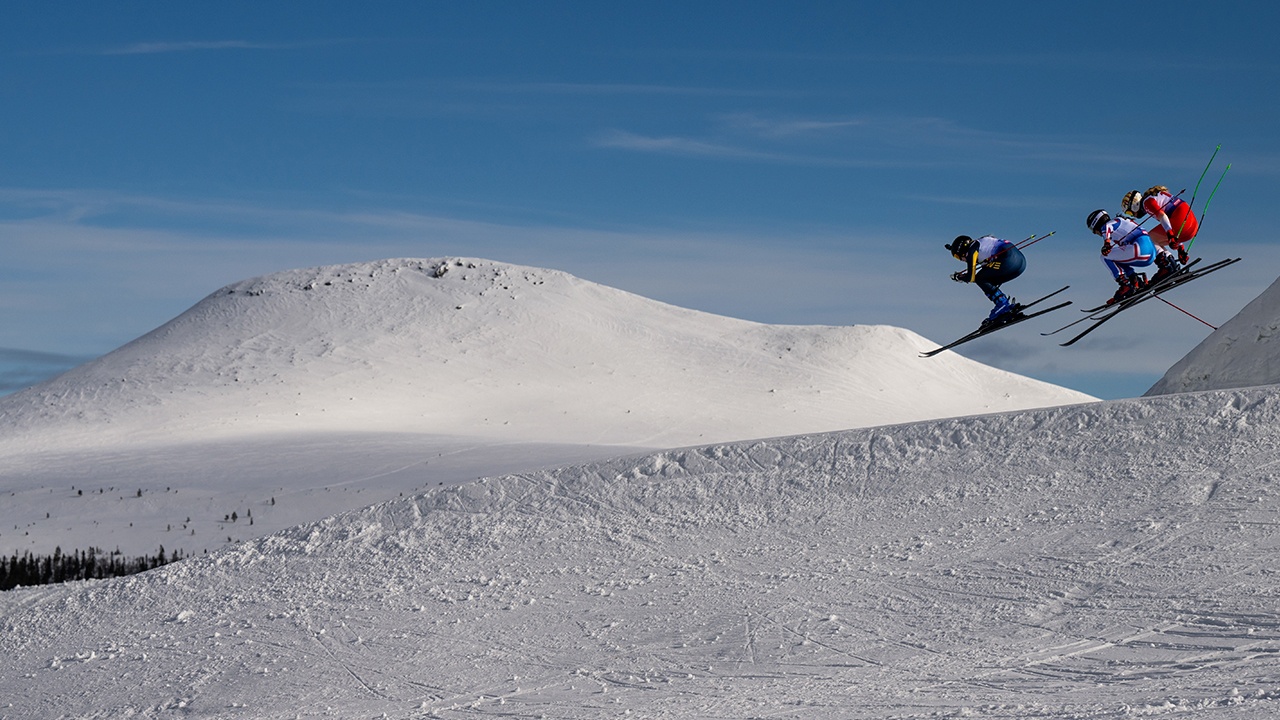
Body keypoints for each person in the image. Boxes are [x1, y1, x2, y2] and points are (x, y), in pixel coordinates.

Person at [945, 234, 1025, 327]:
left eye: (958, 257)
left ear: (962, 250)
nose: (961, 260)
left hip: (1008, 260)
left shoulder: (972, 249)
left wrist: (960, 277)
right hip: (1020, 264)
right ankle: (1004, 307)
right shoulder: (981, 243)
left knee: (980, 278)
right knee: (987, 280)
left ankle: (1002, 305)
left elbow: (971, 277)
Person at [1086, 209, 1156, 304]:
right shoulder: (1122, 223)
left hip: (1140, 249)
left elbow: (1107, 227)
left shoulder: (1110, 223)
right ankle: (1134, 280)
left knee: (1104, 256)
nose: (1095, 233)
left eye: (1092, 230)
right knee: (1116, 258)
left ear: (1096, 223)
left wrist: (1106, 243)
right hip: (1151, 252)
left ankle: (1125, 285)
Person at [1123, 185, 1197, 266]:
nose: (1133, 215)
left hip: (1181, 222)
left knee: (1148, 239)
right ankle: (1170, 263)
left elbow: (1162, 216)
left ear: (1134, 204)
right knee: (1157, 241)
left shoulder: (1146, 202)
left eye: (1129, 212)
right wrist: (1181, 249)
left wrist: (1170, 235)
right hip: (1192, 227)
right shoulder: (1155, 197)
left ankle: (1166, 265)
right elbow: (1172, 222)